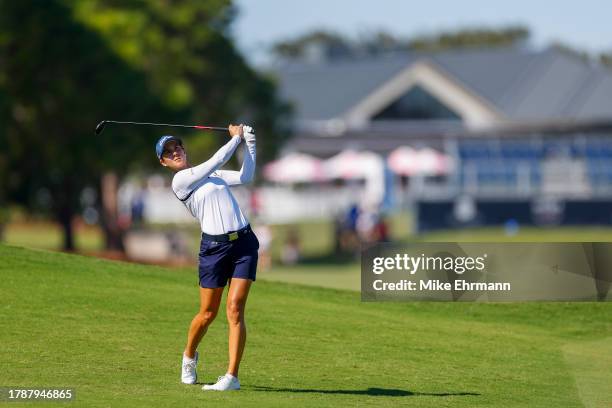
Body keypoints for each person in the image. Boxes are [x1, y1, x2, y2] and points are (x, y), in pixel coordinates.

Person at [156, 124, 258, 391]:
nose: (175, 151)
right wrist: (235, 138)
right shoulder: (181, 181)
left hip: (244, 243)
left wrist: (249, 142)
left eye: (177, 146)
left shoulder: (213, 173)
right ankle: (189, 356)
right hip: (214, 249)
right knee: (208, 313)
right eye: (169, 151)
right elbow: (217, 158)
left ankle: (232, 377)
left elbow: (246, 176)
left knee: (235, 309)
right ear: (164, 162)